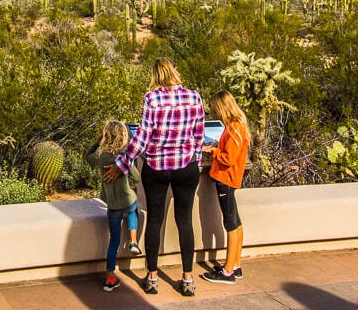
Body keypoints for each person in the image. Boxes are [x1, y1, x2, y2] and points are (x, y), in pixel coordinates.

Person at [103, 57, 205, 297]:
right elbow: (198, 134)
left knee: (155, 220)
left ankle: (152, 277)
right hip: (186, 167)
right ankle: (188, 279)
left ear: (156, 75)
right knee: (185, 221)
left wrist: (121, 163)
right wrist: (196, 161)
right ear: (174, 71)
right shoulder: (194, 97)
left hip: (157, 167)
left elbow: (143, 137)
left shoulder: (152, 98)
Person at [85, 120, 142, 292]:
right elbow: (137, 178)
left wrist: (96, 142)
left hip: (112, 205)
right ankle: (133, 241)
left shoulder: (102, 157)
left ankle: (110, 278)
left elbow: (87, 156)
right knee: (134, 209)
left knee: (114, 241)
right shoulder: (123, 158)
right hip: (127, 199)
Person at [200, 90, 250, 284]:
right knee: (235, 221)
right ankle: (235, 264)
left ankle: (228, 271)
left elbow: (228, 158)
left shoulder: (234, 129)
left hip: (226, 179)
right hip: (229, 179)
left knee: (230, 223)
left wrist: (213, 151)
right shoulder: (237, 126)